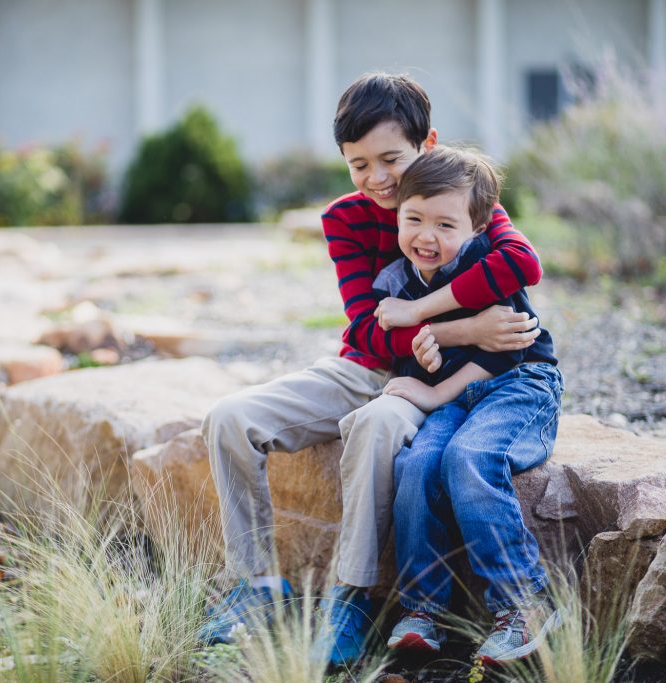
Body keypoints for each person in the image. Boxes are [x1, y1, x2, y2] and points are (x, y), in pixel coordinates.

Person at [197, 73, 543, 667]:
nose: (376, 178)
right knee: (230, 417)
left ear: (427, 145)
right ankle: (255, 587)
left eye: (390, 159)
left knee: (378, 427)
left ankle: (351, 597)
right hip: (365, 367)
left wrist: (431, 327)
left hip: (426, 381)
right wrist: (465, 328)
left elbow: (521, 263)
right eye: (358, 164)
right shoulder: (344, 220)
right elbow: (365, 328)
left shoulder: (458, 199)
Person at [378, 146, 563, 665]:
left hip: (519, 384)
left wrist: (436, 392)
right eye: (414, 219)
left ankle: (525, 604)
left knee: (469, 458)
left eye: (445, 224)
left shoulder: (487, 265)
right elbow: (393, 342)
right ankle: (422, 608)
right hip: (461, 397)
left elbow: (511, 350)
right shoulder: (399, 280)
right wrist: (421, 356)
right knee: (416, 464)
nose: (426, 236)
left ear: (477, 227)